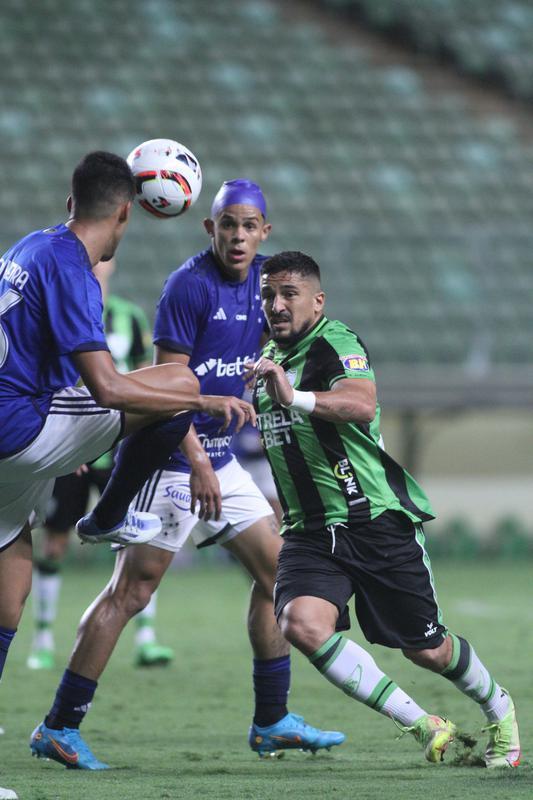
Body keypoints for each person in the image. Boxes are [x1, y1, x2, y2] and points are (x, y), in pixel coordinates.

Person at [30, 180, 345, 771]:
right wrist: (198, 462)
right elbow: (167, 391)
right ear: (210, 227)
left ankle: (272, 719)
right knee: (131, 593)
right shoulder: (188, 286)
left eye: (250, 226)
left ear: (265, 233)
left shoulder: (266, 288)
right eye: (228, 224)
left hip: (224, 459)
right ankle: (59, 727)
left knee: (279, 575)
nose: (239, 236)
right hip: (175, 456)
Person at [0, 153, 253, 798]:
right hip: (21, 434)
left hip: (16, 442)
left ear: (68, 202)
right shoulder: (76, 272)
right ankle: (107, 516)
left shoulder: (29, 248)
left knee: (9, 590)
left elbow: (33, 350)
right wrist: (201, 403)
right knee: (173, 383)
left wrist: (70, 425)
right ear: (124, 213)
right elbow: (112, 389)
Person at [251, 250, 520, 769]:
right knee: (300, 624)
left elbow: (362, 403)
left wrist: (297, 398)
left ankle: (499, 707)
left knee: (428, 650)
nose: (277, 305)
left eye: (289, 294)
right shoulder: (269, 361)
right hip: (310, 532)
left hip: (373, 521)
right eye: (268, 295)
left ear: (317, 300)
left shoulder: (335, 343)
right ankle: (422, 724)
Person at [27, 258, 173, 671]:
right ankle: (41, 640)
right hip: (74, 445)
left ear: (110, 269)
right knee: (54, 543)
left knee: (136, 540)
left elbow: (148, 376)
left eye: (103, 265)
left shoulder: (129, 317)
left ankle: (146, 637)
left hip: (121, 442)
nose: (97, 269)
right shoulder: (62, 311)